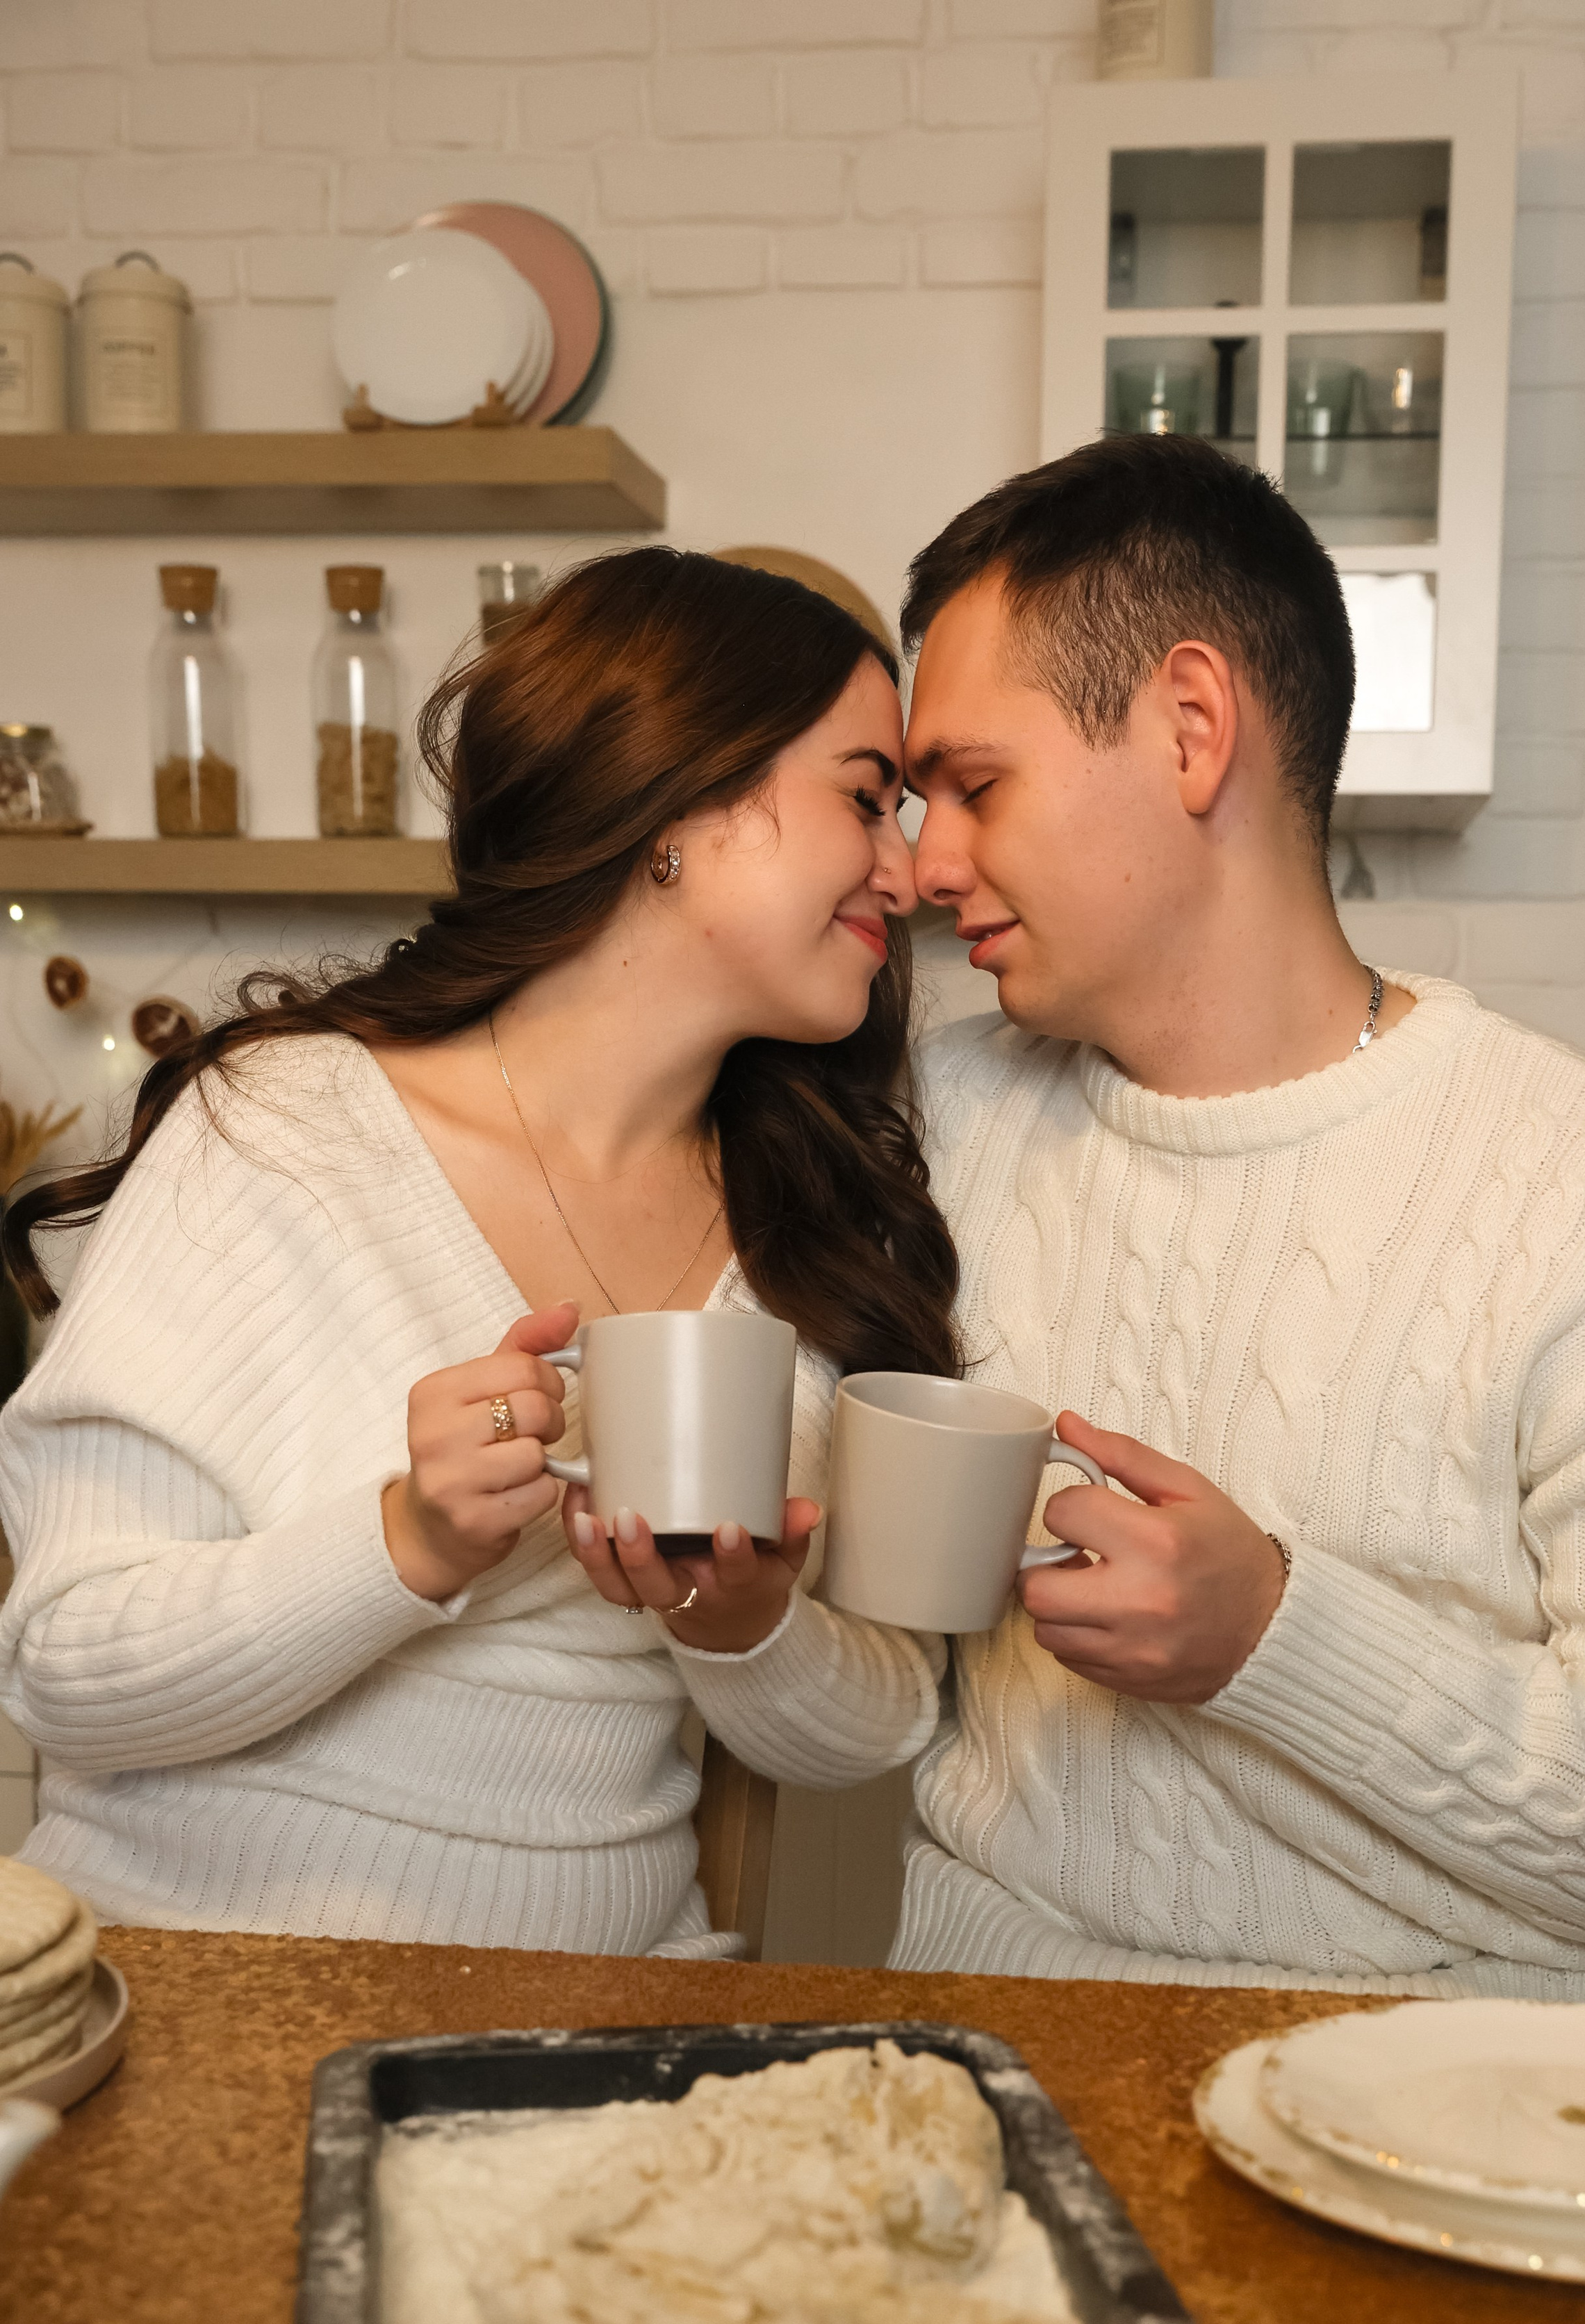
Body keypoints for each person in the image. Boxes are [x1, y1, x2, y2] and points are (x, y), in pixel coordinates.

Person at [887, 431, 1585, 2007]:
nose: (923, 863)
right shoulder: (946, 1117)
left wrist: (1276, 1641)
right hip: (1001, 2020)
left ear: (1187, 728)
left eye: (970, 785)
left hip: (1461, 2080)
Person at [0, 550, 951, 1953]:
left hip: (599, 2031)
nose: (911, 867)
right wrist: (407, 1539)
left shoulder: (807, 1226)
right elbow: (62, 1672)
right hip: (206, 1995)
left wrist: (743, 1624)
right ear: (677, 797)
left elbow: (876, 1722)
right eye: (865, 797)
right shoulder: (284, 1129)